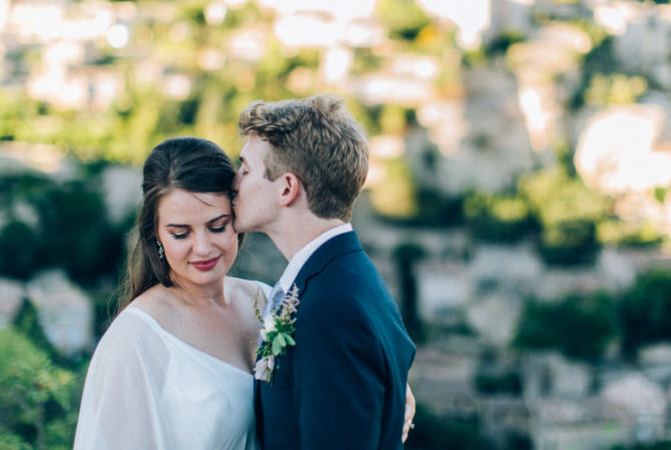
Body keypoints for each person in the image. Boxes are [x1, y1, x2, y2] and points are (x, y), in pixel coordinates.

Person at [233, 94, 417, 449]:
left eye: (245, 169)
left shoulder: (331, 308)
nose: (235, 181)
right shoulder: (340, 280)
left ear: (287, 188)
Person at [74, 136, 268, 450]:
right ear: (157, 236)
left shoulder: (269, 301)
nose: (203, 248)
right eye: (180, 233)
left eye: (217, 226)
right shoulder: (137, 337)